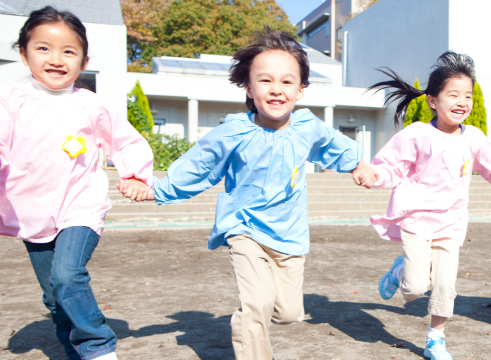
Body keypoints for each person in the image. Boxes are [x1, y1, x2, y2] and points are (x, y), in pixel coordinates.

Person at [119, 27, 376, 360]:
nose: (276, 90)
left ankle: (256, 320)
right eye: (265, 80)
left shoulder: (307, 127)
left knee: (288, 313)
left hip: (290, 235)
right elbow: (198, 165)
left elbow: (333, 145)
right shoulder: (233, 132)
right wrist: (154, 189)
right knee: (256, 305)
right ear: (249, 86)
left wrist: (357, 164)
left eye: (286, 81)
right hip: (245, 229)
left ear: (301, 89)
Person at [0, 6, 154, 360]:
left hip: (79, 205)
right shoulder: (9, 101)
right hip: (31, 212)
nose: (56, 59)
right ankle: (75, 352)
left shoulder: (90, 104)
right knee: (55, 295)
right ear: (23, 54)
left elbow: (124, 140)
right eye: (43, 48)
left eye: (68, 51)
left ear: (84, 62)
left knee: (68, 276)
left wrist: (134, 174)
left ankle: (98, 347)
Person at [368, 51, 491, 360]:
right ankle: (400, 271)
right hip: (416, 219)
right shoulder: (417, 134)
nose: (462, 102)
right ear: (433, 100)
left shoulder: (474, 138)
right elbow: (391, 165)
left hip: (451, 224)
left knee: (445, 285)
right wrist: (373, 177)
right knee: (414, 288)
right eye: (452, 94)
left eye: (467, 95)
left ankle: (435, 338)